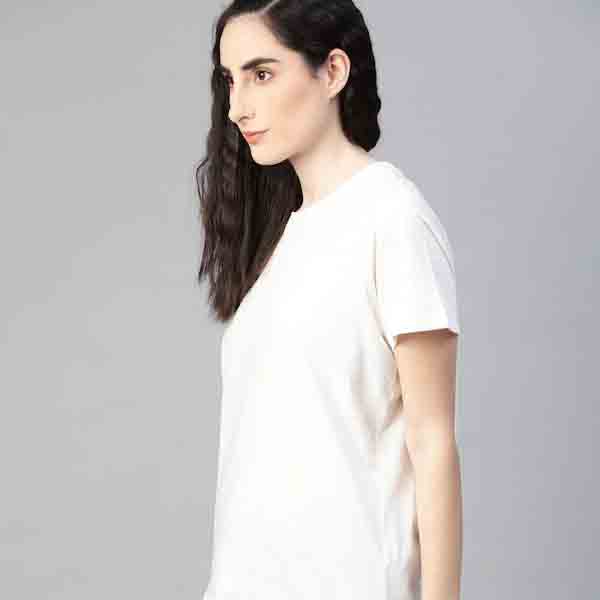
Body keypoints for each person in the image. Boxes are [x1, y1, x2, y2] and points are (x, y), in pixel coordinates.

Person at [195, 2, 463, 599]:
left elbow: (433, 443)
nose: (237, 106)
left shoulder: (392, 219)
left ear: (333, 72)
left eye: (262, 74)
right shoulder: (281, 240)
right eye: (230, 79)